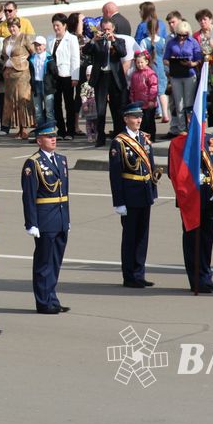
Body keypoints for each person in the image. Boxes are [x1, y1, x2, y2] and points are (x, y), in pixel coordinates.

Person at [167, 107, 213, 292]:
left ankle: (206, 276)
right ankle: (196, 280)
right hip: (191, 196)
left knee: (207, 238)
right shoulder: (179, 142)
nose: (202, 121)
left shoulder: (210, 140)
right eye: (197, 117)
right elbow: (173, 171)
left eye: (204, 117)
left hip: (209, 195)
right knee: (193, 239)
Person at [21, 122, 71, 314]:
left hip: (60, 217)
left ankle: (52, 298)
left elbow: (64, 192)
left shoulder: (61, 160)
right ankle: (43, 301)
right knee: (44, 261)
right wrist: (31, 223)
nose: (53, 139)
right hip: (45, 219)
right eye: (49, 136)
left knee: (56, 261)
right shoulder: (32, 163)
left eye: (54, 136)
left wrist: (67, 218)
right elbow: (29, 196)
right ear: (39, 140)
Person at [109, 103, 158, 288]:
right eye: (134, 117)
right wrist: (118, 202)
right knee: (130, 237)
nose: (138, 120)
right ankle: (129, 276)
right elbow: (115, 175)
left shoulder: (144, 139)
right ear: (125, 119)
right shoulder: (119, 142)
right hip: (129, 196)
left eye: (140, 117)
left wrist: (153, 191)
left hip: (145, 193)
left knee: (142, 236)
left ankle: (139, 272)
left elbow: (151, 167)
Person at [85, 18, 128, 147]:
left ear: (113, 29)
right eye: (104, 29)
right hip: (101, 77)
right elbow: (85, 51)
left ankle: (118, 135)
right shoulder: (97, 41)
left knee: (117, 109)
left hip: (114, 77)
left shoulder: (119, 41)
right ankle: (100, 137)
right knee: (100, 110)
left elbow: (122, 53)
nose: (106, 32)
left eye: (108, 29)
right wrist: (93, 40)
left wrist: (113, 41)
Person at [163, 20, 202, 138]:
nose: (181, 38)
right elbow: (165, 59)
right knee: (178, 104)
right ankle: (181, 130)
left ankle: (190, 128)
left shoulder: (193, 42)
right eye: (179, 35)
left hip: (189, 74)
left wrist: (192, 64)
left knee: (189, 103)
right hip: (176, 75)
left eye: (184, 35)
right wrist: (173, 63)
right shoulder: (171, 42)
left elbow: (199, 58)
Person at [0, 17, 35, 140]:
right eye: (9, 26)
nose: (11, 28)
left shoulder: (25, 37)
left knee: (22, 99)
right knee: (12, 101)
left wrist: (25, 62)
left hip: (22, 73)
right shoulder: (6, 40)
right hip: (8, 74)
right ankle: (19, 129)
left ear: (19, 27)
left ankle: (25, 128)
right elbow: (4, 55)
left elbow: (33, 53)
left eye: (14, 26)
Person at [129, 50, 158, 140]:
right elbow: (132, 89)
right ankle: (142, 137)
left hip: (148, 103)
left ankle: (151, 137)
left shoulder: (150, 74)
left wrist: (151, 100)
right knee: (140, 121)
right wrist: (132, 101)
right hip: (138, 103)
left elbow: (153, 87)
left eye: (142, 62)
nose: (140, 64)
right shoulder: (134, 75)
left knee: (149, 121)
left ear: (146, 62)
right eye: (138, 63)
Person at [28, 35, 56, 128]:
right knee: (38, 111)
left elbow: (54, 72)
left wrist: (52, 84)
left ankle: (50, 129)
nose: (37, 47)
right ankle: (40, 131)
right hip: (36, 85)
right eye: (35, 45)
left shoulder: (49, 58)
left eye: (39, 45)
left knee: (49, 110)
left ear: (44, 46)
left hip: (47, 86)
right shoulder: (32, 58)